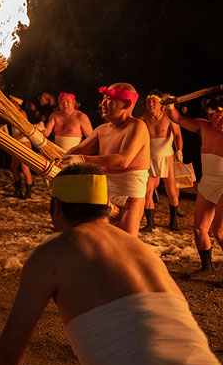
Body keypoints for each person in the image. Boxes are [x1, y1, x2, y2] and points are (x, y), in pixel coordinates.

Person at [0, 164, 223, 365]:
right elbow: (133, 325)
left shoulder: (54, 253)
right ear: (106, 205)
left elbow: (10, 349)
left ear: (56, 207)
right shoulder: (142, 252)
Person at [63, 83, 150, 236]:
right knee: (100, 239)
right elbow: (78, 150)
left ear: (126, 103)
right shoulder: (102, 130)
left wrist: (82, 159)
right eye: (103, 98)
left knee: (125, 242)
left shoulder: (137, 126)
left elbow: (123, 160)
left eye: (109, 99)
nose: (102, 103)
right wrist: (58, 160)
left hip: (130, 194)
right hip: (104, 190)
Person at [167, 96, 223, 274]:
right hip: (207, 183)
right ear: (210, 115)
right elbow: (177, 118)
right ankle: (207, 267)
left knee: (219, 231)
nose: (222, 120)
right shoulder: (203, 127)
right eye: (218, 115)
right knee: (199, 229)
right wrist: (169, 105)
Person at [139, 90, 183, 232]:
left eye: (154, 102)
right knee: (147, 192)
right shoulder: (143, 120)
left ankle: (173, 221)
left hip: (167, 157)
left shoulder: (169, 118)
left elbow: (177, 135)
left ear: (161, 105)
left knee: (172, 192)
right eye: (148, 102)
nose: (151, 104)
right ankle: (150, 224)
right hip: (149, 158)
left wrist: (179, 151)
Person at [8, 96, 33, 199]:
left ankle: (28, 192)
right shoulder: (11, 113)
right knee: (14, 168)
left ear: (15, 103)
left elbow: (26, 131)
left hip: (24, 143)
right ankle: (18, 190)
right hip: (17, 143)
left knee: (24, 167)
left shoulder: (22, 113)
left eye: (11, 102)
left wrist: (16, 140)